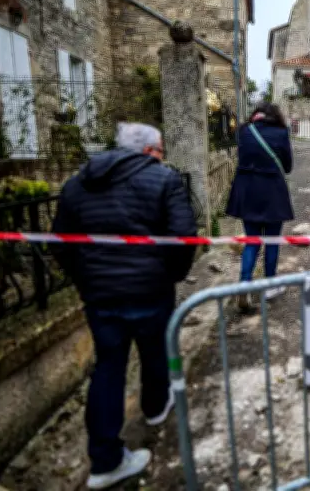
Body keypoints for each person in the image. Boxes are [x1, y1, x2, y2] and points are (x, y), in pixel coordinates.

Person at [52, 122, 197, 489]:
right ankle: (155, 407)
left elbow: (58, 242)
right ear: (149, 151)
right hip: (150, 290)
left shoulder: (76, 183)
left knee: (108, 368)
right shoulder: (164, 181)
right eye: (161, 150)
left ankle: (104, 461)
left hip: (100, 296)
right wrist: (170, 276)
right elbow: (183, 237)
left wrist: (85, 278)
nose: (162, 156)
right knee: (155, 352)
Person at [225, 102, 294, 308]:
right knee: (272, 241)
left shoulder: (244, 131)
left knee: (252, 241)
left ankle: (244, 286)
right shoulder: (281, 132)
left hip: (247, 193)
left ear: (256, 115)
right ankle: (270, 286)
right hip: (272, 193)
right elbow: (288, 166)